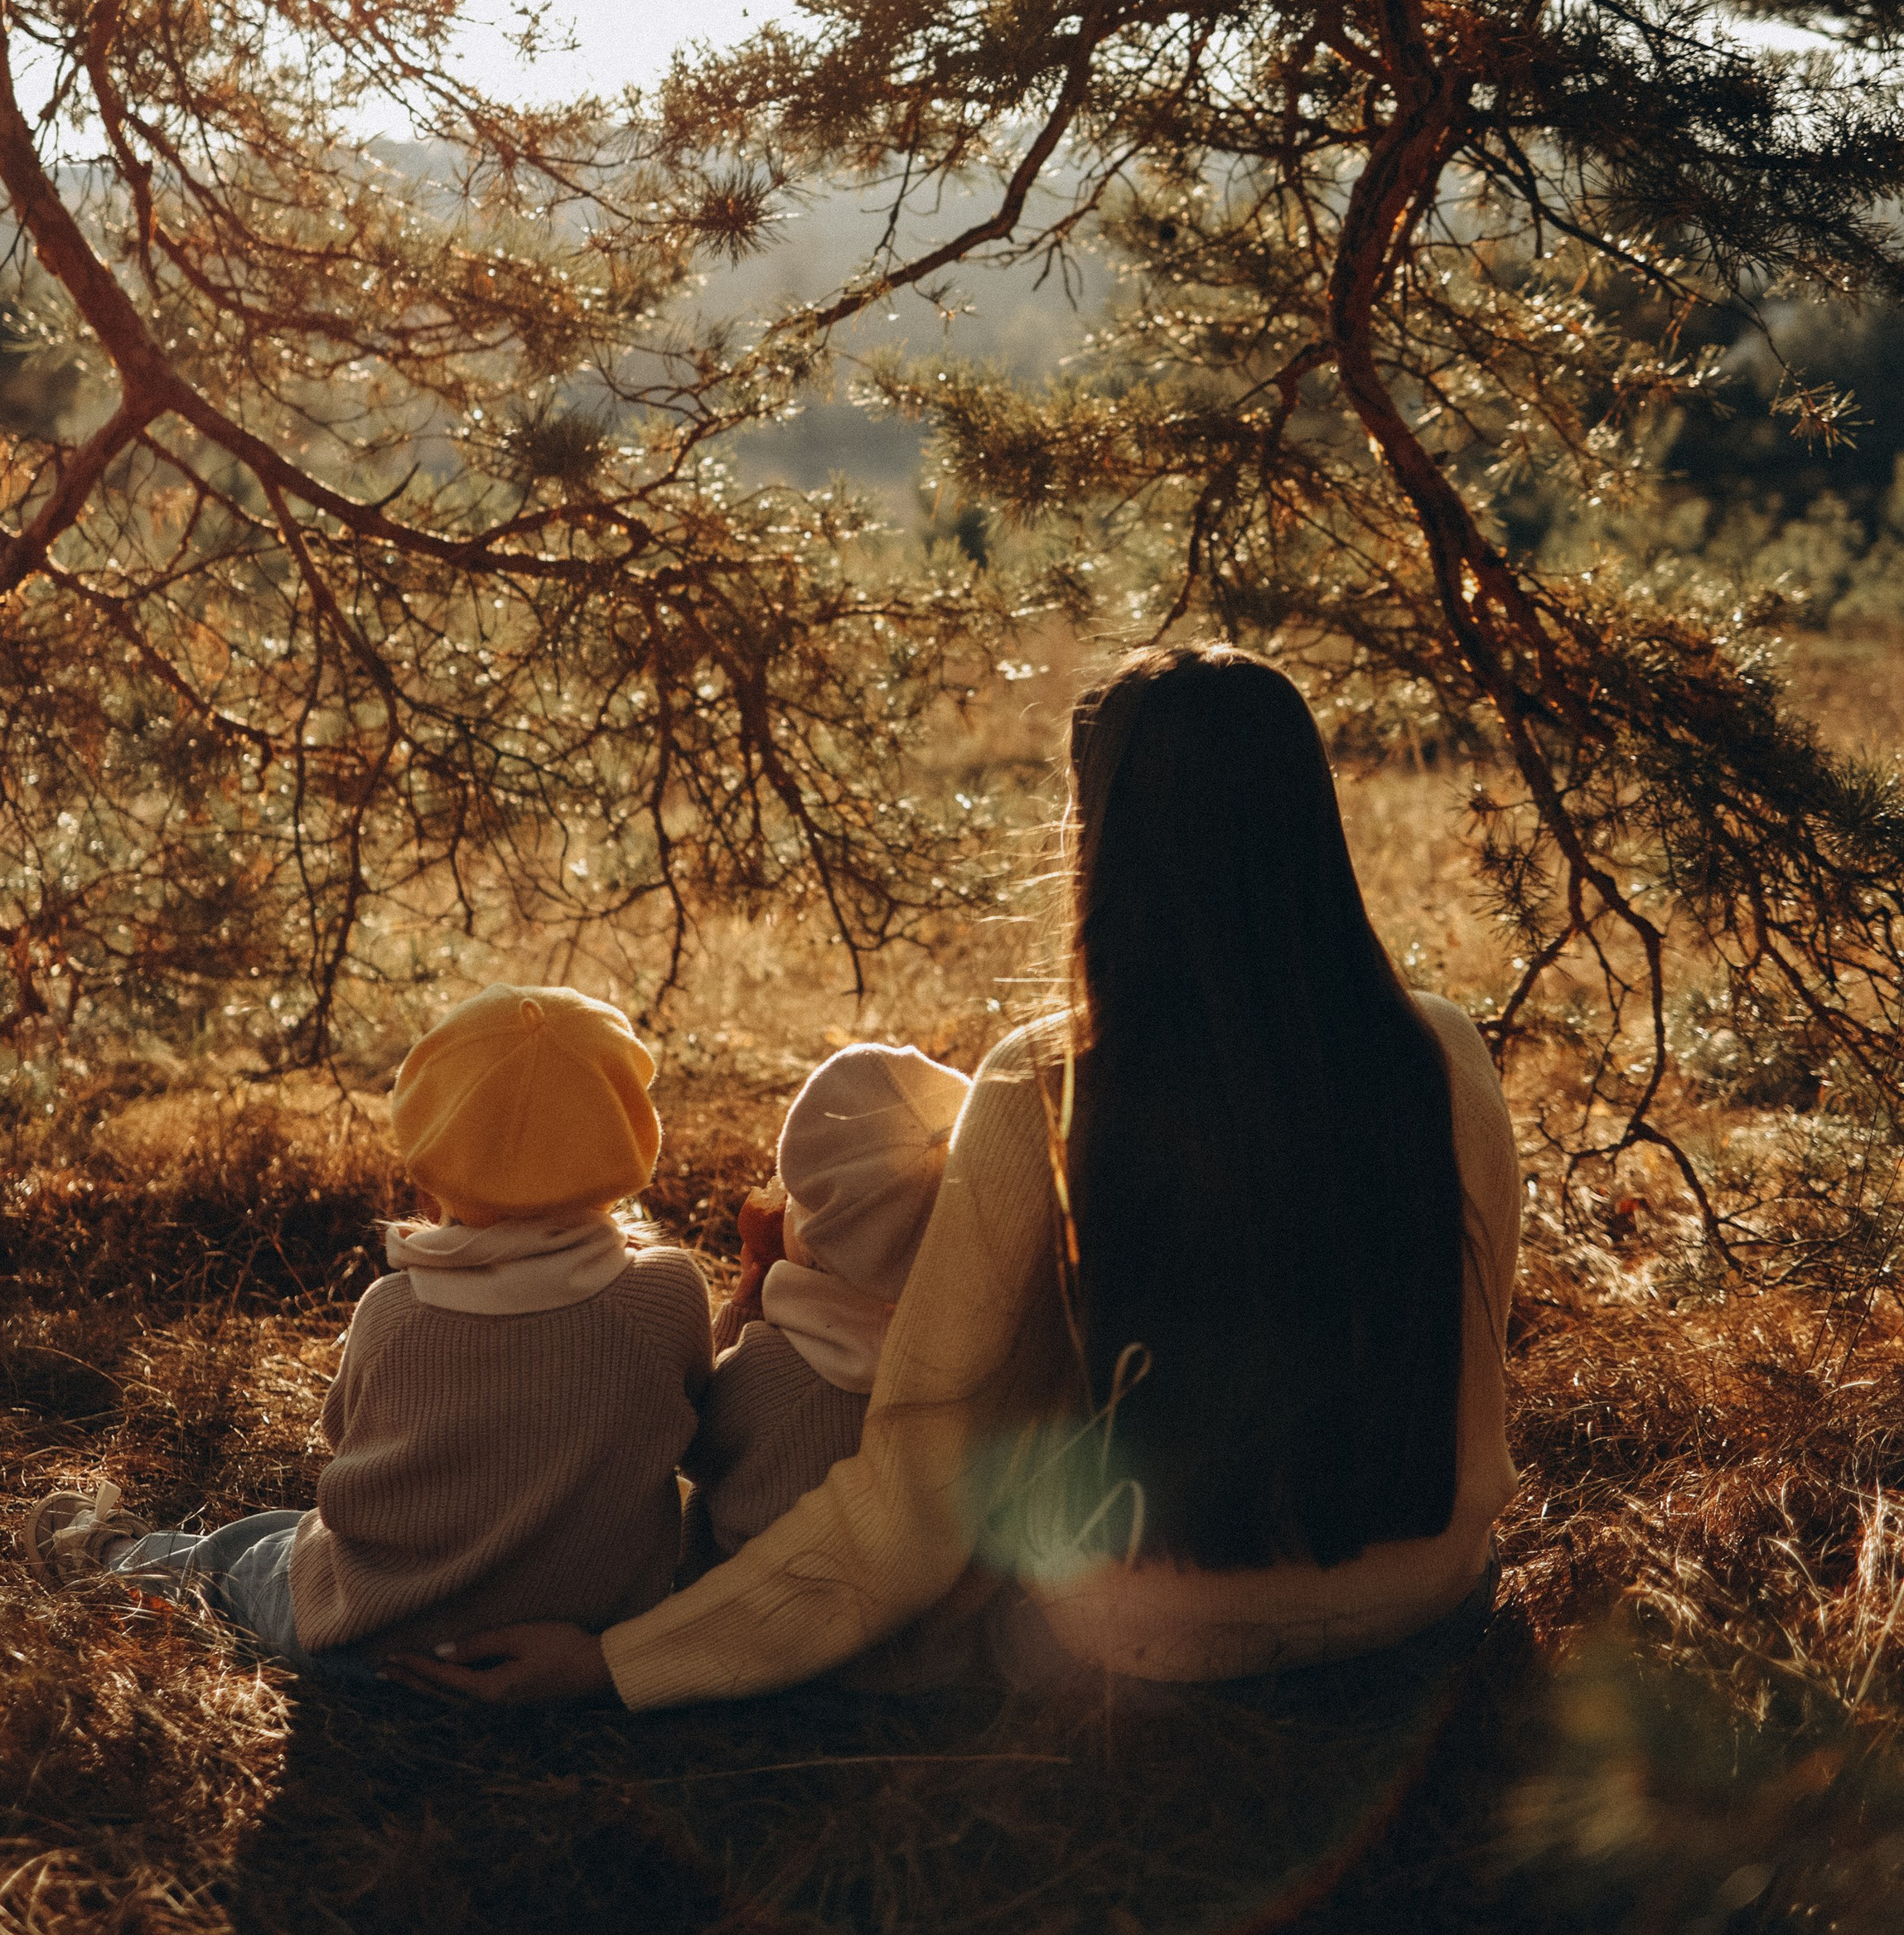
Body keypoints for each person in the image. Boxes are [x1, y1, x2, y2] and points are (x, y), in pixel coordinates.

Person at [386, 646, 1523, 1710]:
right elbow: (1469, 1358)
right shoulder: (1443, 1053)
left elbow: (916, 1488)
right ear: (1313, 821)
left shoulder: (1049, 1083)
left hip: (1142, 1641)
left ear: (1100, 840)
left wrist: (619, 1663)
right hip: (1421, 1603)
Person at [18, 981, 712, 1668]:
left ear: (433, 1146)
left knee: (246, 1554)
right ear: (627, 1132)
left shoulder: (396, 1311)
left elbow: (346, 1436)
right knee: (275, 1538)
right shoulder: (667, 1294)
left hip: (377, 1639)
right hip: (584, 1632)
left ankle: (113, 1559)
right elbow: (694, 1423)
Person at [680, 1039, 969, 1577]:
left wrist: (743, 1306)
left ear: (814, 1243)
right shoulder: (951, 1374)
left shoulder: (768, 1370)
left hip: (734, 1610)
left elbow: (689, 1443)